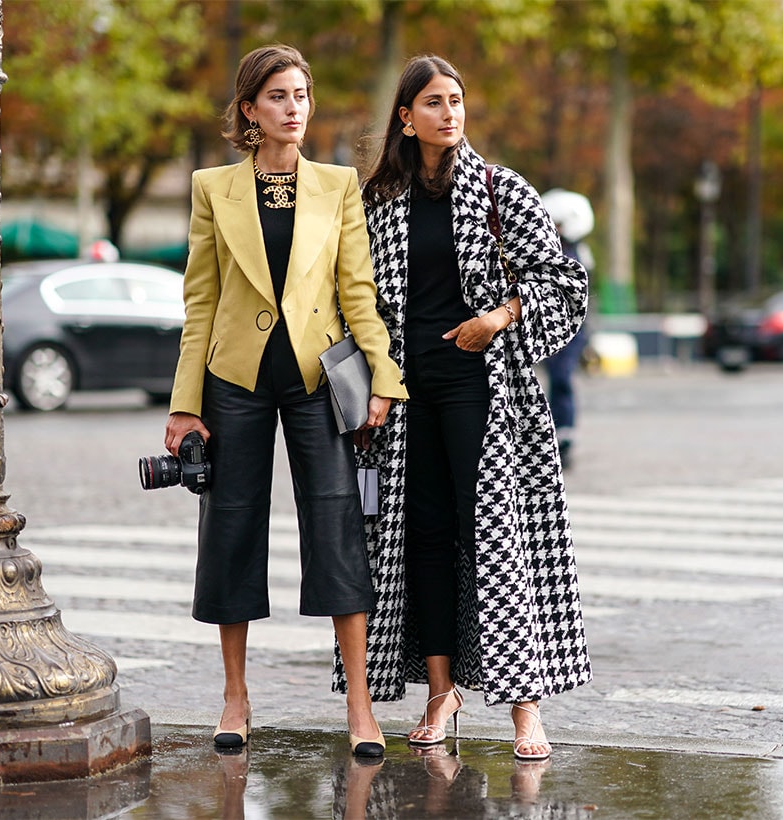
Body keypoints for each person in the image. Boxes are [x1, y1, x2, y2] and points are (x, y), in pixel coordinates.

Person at [164, 44, 408, 758]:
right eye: (277, 96)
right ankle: (235, 695)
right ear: (249, 110)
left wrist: (384, 378)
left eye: (301, 95)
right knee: (230, 528)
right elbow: (201, 299)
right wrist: (185, 404)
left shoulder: (338, 186)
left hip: (315, 379)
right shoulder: (213, 187)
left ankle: (360, 706)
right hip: (233, 380)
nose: (293, 108)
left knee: (337, 529)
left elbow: (357, 292)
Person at [348, 54, 592, 761]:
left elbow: (563, 285)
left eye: (456, 100)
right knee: (421, 537)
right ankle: (440, 692)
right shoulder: (379, 199)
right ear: (405, 115)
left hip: (481, 388)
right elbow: (355, 296)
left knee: (494, 536)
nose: (448, 113)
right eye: (432, 102)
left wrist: (500, 315)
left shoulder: (499, 190)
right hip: (404, 391)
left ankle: (525, 712)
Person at [540, 188, 596, 469]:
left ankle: (563, 436)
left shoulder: (575, 255)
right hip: (550, 327)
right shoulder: (562, 251)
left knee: (561, 380)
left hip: (569, 330)